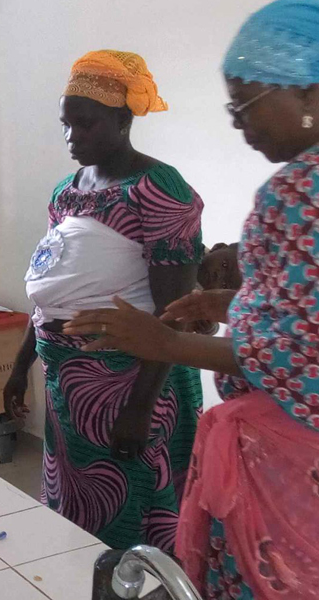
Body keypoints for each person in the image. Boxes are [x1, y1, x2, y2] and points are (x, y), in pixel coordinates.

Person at [64, 2, 319, 597]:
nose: (236, 123)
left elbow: (304, 356)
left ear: (308, 94)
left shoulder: (297, 194)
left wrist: (170, 343)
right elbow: (297, 308)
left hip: (291, 466)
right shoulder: (72, 187)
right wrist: (231, 304)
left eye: (246, 104)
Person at [3, 50, 204, 552]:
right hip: (68, 387)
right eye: (66, 125)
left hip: (131, 386)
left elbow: (172, 318)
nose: (72, 138)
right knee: (76, 515)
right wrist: (20, 363)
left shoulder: (157, 190)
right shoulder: (67, 191)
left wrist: (139, 408)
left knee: (133, 520)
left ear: (121, 119)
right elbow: (54, 284)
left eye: (86, 125)